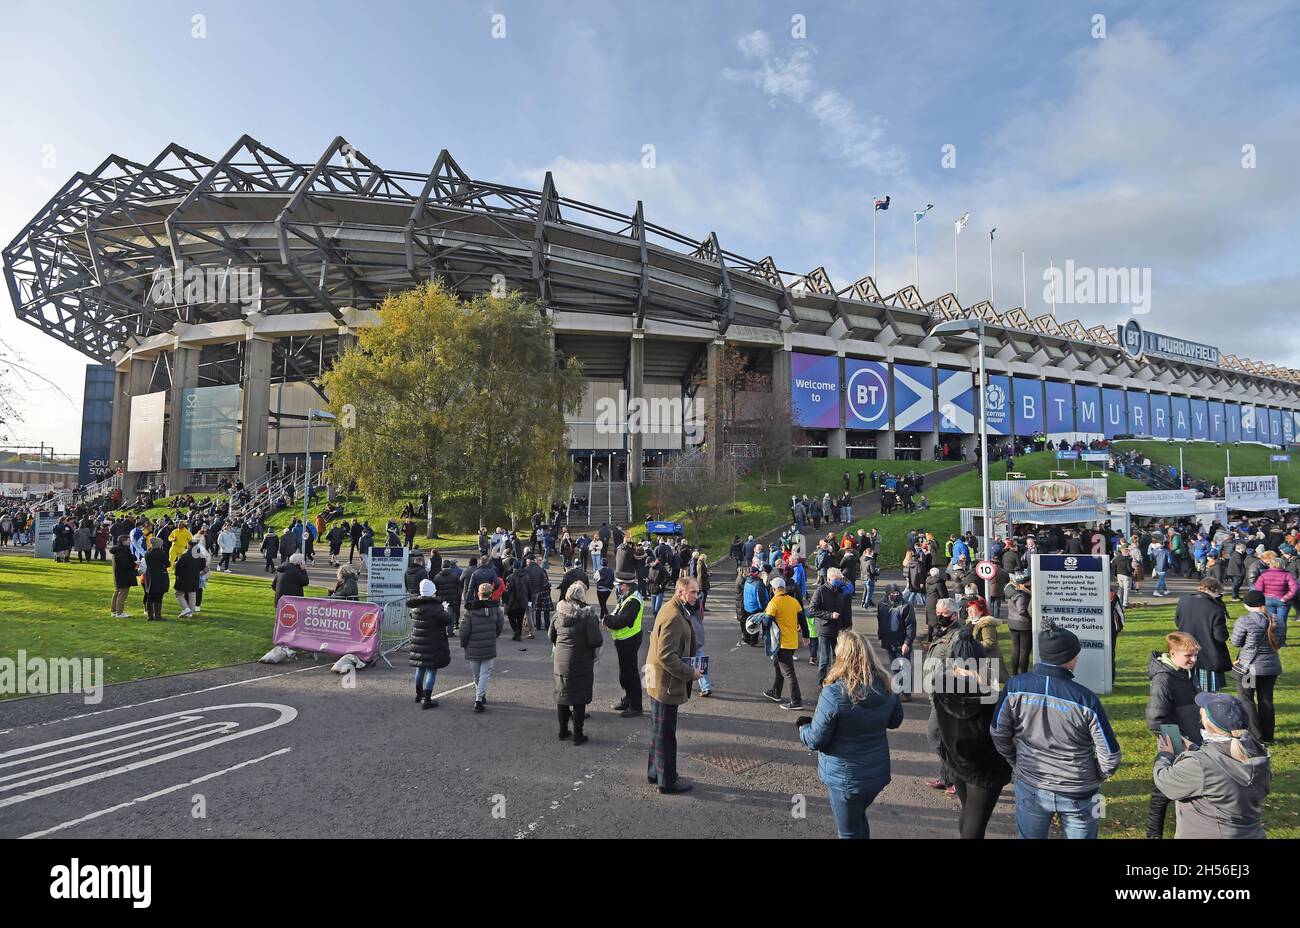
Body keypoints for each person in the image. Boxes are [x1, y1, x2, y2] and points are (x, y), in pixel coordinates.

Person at [991, 622, 1122, 839]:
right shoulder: (1085, 699)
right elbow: (1110, 755)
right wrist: (1096, 776)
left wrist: (1016, 761)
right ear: (1069, 659)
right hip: (1078, 791)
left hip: (1031, 783)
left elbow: (998, 732)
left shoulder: (1015, 687)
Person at [797, 630, 902, 839]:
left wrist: (802, 728)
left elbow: (816, 740)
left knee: (848, 832)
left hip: (846, 778)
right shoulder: (888, 686)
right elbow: (895, 721)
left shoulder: (834, 693)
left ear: (841, 657)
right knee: (858, 820)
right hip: (876, 774)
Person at [1153, 692, 1271, 839]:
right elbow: (1222, 766)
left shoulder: (1200, 765)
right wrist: (1194, 749)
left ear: (1209, 725)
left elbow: (1165, 782)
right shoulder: (1256, 751)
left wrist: (1165, 754)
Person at [933, 625, 1012, 838]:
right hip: (984, 767)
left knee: (968, 812)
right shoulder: (992, 698)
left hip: (956, 761)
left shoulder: (941, 687)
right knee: (976, 820)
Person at [645, 576, 703, 793]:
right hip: (665, 683)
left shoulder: (674, 608)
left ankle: (655, 772)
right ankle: (667, 781)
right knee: (666, 734)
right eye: (693, 592)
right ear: (681, 593)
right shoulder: (673, 616)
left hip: (660, 680)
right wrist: (690, 673)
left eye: (697, 592)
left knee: (659, 730)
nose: (696, 596)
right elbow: (666, 656)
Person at [1144, 631, 1203, 838]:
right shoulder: (1164, 680)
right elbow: (1155, 719)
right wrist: (1179, 744)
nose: (1194, 660)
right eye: (1189, 656)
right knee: (1163, 792)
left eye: (1195, 655)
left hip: (1194, 739)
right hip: (1178, 744)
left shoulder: (1185, 671)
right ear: (1173, 653)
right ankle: (1153, 834)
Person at [550, 582, 603, 745]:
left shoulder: (558, 613)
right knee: (579, 698)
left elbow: (551, 636)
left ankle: (563, 730)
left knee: (563, 695)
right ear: (581, 596)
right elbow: (596, 640)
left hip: (561, 660)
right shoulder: (588, 615)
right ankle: (578, 735)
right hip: (581, 660)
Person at [1231, 590, 1285, 743]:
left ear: (1247, 605)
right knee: (1266, 700)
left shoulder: (1244, 621)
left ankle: (1255, 736)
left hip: (1250, 667)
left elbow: (1236, 642)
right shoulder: (1277, 620)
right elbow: (1280, 642)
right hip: (1271, 666)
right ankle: (1268, 737)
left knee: (1246, 699)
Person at [1174, 577, 1231, 692]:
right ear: (1214, 590)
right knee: (1208, 695)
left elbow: (1177, 622)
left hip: (1186, 650)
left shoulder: (1184, 601)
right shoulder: (1215, 609)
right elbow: (1220, 636)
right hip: (1208, 656)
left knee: (1188, 690)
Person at [762, 577, 809, 711]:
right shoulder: (793, 601)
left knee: (788, 672)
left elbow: (767, 622)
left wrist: (761, 620)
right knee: (778, 665)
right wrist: (806, 636)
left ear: (774, 589)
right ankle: (776, 691)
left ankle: (796, 701)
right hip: (792, 641)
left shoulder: (774, 602)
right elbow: (802, 619)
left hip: (781, 643)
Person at [408, 578, 453, 709]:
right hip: (433, 643)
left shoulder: (415, 606)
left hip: (418, 642)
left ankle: (418, 693)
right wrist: (447, 609)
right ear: (432, 592)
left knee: (420, 667)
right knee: (432, 670)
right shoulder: (436, 608)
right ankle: (427, 699)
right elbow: (447, 620)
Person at [461, 582, 504, 712]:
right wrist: (494, 635)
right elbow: (500, 625)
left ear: (478, 593)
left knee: (476, 674)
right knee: (485, 673)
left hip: (473, 645)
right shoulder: (496, 609)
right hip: (489, 644)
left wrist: (464, 643)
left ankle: (480, 695)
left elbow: (464, 629)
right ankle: (479, 698)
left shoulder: (470, 610)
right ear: (491, 594)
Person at [605, 578, 645, 717]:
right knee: (625, 673)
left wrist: (607, 620)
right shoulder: (628, 596)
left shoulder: (632, 601)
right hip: (625, 640)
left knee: (631, 674)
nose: (619, 588)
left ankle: (636, 706)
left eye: (620, 585)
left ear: (626, 585)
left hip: (629, 640)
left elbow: (623, 620)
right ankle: (628, 700)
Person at [809, 567, 853, 686]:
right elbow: (812, 610)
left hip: (838, 629)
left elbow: (846, 610)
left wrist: (848, 627)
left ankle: (835, 680)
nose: (838, 581)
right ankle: (821, 681)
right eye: (836, 579)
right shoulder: (820, 591)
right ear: (828, 579)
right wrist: (830, 615)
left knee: (837, 657)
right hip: (825, 629)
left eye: (839, 578)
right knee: (824, 658)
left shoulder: (841, 591)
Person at [875, 585, 915, 702]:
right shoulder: (882, 604)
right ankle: (898, 690)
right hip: (888, 641)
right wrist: (880, 635)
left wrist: (907, 642)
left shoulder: (906, 606)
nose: (896, 595)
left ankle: (906, 693)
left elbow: (911, 626)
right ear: (887, 594)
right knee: (895, 667)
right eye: (893, 593)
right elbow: (880, 620)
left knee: (904, 668)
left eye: (897, 593)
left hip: (901, 642)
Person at [1251, 550, 1297, 628]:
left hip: (1269, 599)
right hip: (1282, 600)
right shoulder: (1287, 575)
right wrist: (1286, 597)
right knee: (1282, 622)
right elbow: (1294, 588)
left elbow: (1258, 589)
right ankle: (1280, 639)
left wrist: (1264, 597)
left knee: (1271, 622)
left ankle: (1272, 639)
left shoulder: (1264, 575)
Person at [1005, 573, 1033, 677]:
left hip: (1012, 623)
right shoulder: (1022, 594)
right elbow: (1021, 610)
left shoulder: (1012, 591)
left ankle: (1014, 673)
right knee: (1024, 651)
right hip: (1023, 624)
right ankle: (1023, 673)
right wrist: (1031, 616)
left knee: (1016, 649)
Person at [141, 537, 169, 622]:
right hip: (160, 575)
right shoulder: (161, 553)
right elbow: (167, 563)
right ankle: (158, 615)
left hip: (149, 575)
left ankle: (150, 615)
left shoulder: (147, 553)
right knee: (159, 596)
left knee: (150, 595)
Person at [173, 541, 204, 618]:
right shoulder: (201, 556)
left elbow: (178, 567)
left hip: (183, 577)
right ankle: (190, 612)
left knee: (178, 593)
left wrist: (177, 574)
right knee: (192, 594)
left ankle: (186, 608)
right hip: (195, 577)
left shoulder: (185, 555)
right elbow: (202, 566)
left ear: (189, 546)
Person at [109, 534, 137, 618]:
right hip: (123, 575)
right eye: (128, 540)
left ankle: (114, 611)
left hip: (118, 575)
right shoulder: (122, 551)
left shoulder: (117, 550)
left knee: (117, 592)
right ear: (123, 541)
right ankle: (119, 612)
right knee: (122, 594)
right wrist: (135, 564)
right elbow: (125, 564)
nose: (130, 542)